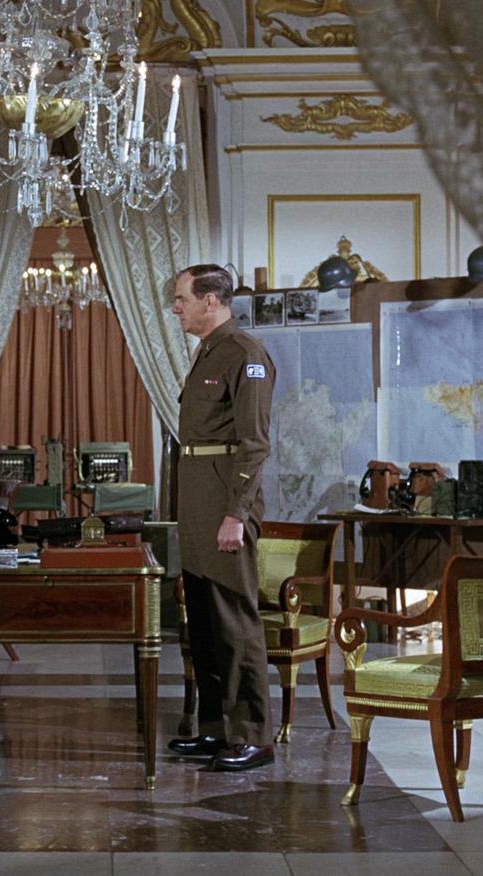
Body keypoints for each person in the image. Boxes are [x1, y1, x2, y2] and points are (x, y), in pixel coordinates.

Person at [166, 264, 276, 772]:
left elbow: (254, 444)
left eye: (182, 298)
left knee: (235, 622)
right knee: (205, 625)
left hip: (226, 506)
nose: (176, 307)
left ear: (211, 300)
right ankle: (215, 729)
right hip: (197, 505)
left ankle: (253, 735)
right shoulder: (207, 353)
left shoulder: (245, 354)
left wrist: (236, 514)